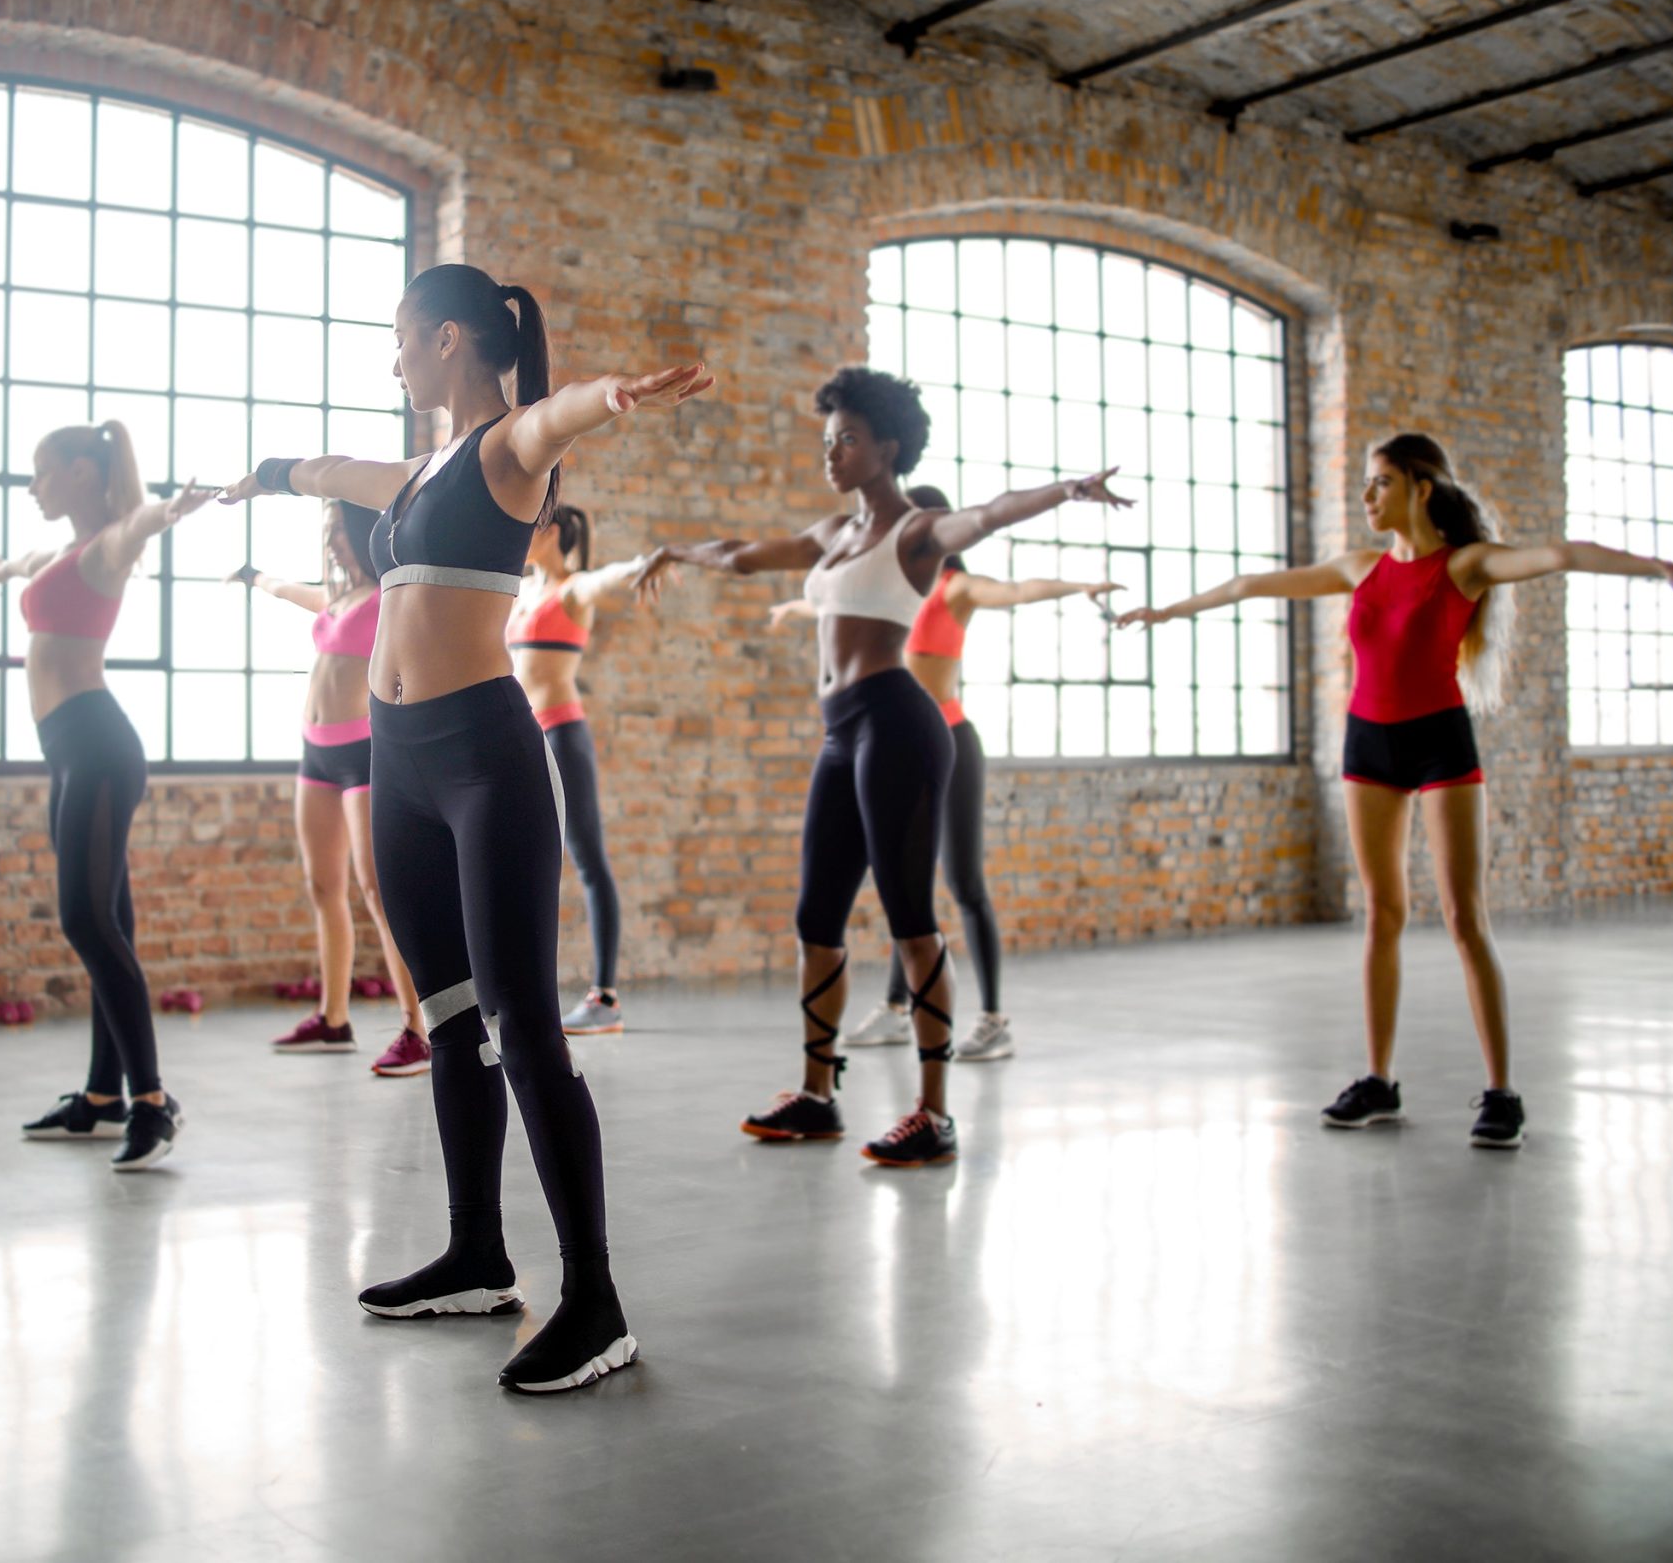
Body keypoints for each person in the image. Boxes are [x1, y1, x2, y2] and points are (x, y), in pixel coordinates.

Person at [220, 261, 711, 1392]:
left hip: (484, 762)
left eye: (401, 341)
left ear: (447, 341)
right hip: (397, 768)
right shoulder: (419, 470)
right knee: (447, 1020)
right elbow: (336, 469)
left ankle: (596, 1302)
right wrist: (265, 475)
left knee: (524, 1026)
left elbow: (551, 417)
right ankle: (476, 1254)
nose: (392, 360)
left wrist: (612, 397)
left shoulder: (502, 451)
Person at [1115, 431, 1673, 1149]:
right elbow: (1252, 584)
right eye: (1367, 485)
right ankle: (1377, 1080)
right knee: (1382, 913)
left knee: (1465, 917)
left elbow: (1561, 554)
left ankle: (1502, 1093)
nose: (1369, 496)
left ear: (1421, 486)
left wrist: (1659, 569)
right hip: (1367, 743)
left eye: (1380, 482)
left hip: (1440, 740)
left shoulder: (1464, 567)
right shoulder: (1360, 568)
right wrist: (1165, 613)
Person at [641, 366, 1126, 1167]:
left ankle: (933, 1112)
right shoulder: (834, 532)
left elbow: (991, 514)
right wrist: (674, 549)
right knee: (815, 918)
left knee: (910, 919)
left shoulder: (917, 531)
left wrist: (1068, 489)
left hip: (900, 725)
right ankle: (816, 1094)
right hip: (840, 733)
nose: (833, 452)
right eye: (828, 439)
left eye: (850, 439)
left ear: (889, 447)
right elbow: (742, 554)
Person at [772, 484, 1119, 1064]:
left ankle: (992, 1019)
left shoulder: (955, 589)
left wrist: (1077, 585)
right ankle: (899, 1008)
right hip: (891, 745)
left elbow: (1017, 590)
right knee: (902, 886)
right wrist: (793, 606)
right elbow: (830, 602)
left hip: (948, 740)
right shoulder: (882, 588)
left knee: (963, 883)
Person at [0, 422, 214, 1172]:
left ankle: (150, 1099)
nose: (33, 486)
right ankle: (100, 1094)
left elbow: (137, 527)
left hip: (97, 748)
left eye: (43, 471)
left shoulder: (109, 544)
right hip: (69, 752)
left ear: (84, 471)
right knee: (104, 918)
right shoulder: (61, 553)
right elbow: (26, 563)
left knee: (88, 917)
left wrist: (170, 508)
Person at [230, 500, 432, 1077]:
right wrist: (254, 577)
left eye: (337, 530)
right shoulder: (338, 599)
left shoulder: (389, 596)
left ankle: (419, 1029)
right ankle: (334, 1018)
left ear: (363, 530)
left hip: (365, 754)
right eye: (326, 532)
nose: (331, 542)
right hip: (315, 753)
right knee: (324, 887)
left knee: (378, 891)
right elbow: (292, 592)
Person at [506, 504, 672, 1036]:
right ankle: (513, 990)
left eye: (531, 526)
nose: (520, 534)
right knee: (519, 864)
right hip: (520, 739)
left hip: (561, 735)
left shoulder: (571, 589)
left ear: (552, 534)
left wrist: (643, 564)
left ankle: (604, 997)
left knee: (588, 860)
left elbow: (605, 580)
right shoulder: (521, 591)